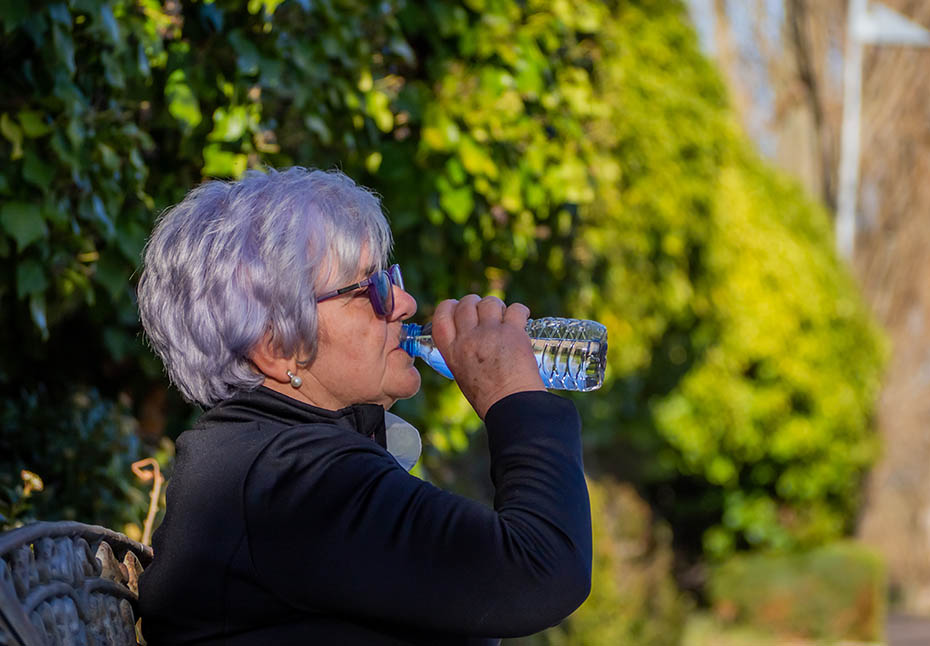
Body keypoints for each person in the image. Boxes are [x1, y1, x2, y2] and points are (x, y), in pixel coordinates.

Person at [135, 167, 592, 645]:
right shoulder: (293, 482)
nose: (405, 303)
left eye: (390, 278)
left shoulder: (269, 462)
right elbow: (541, 570)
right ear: (277, 348)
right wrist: (514, 398)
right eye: (370, 289)